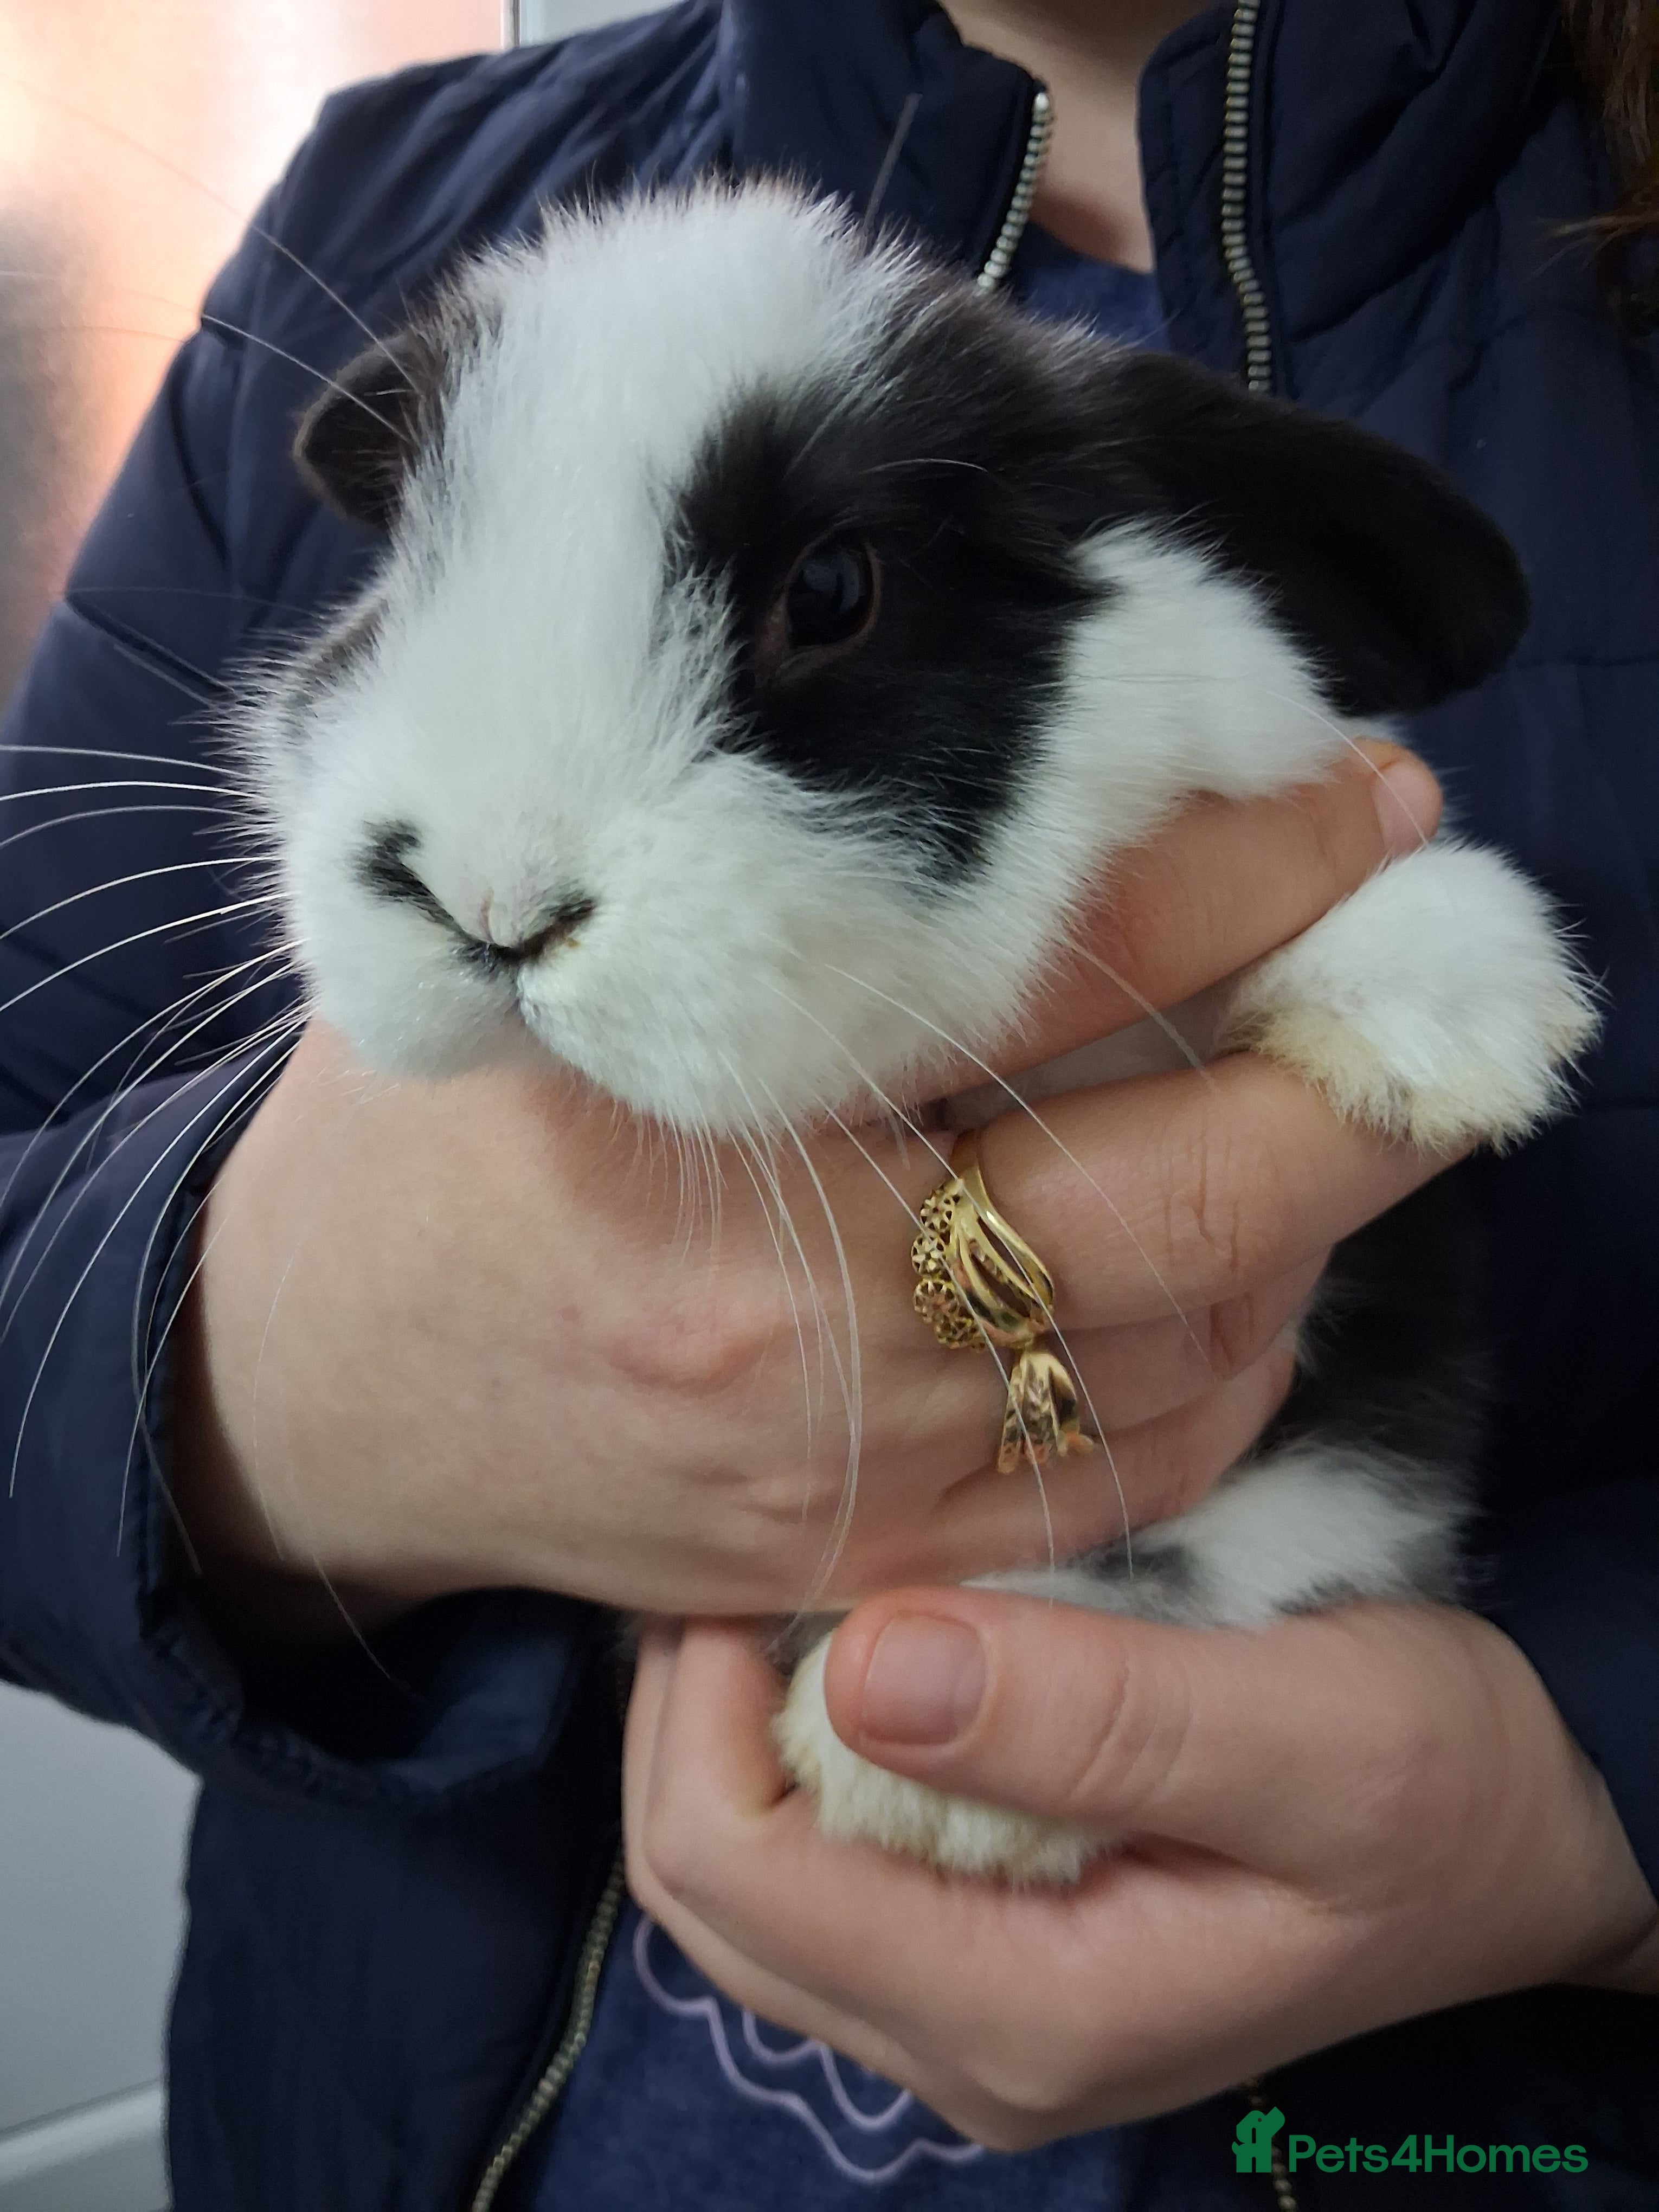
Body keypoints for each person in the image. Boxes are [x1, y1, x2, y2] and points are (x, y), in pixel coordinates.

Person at [1, 2, 1655, 2206]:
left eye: (822, 598)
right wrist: (248, 1370)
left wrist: (1596, 1820)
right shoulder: (401, 193)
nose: (499, 888)